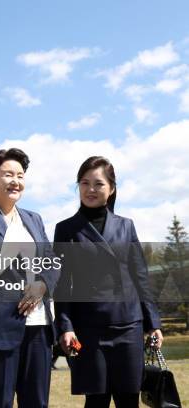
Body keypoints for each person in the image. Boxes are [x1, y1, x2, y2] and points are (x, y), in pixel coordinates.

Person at [54, 156, 163, 408]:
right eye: (84, 183)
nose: (91, 189)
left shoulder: (126, 226)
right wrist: (65, 326)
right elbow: (62, 284)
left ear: (111, 188)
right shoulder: (66, 229)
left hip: (128, 325)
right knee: (96, 400)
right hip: (88, 329)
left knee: (128, 400)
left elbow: (140, 276)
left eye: (98, 183)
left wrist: (153, 323)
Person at [0, 148, 60, 408]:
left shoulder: (34, 219)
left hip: (39, 326)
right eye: (8, 174)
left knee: (37, 402)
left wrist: (43, 284)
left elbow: (52, 262)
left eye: (21, 175)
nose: (16, 180)